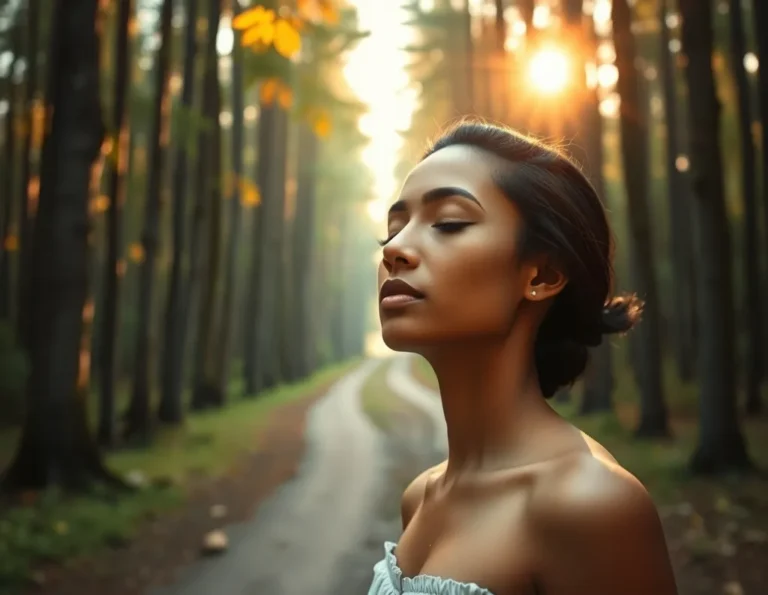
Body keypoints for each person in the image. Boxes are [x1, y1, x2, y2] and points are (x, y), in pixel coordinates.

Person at [367, 121, 678, 595]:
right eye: (393, 229)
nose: (395, 250)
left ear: (543, 274)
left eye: (448, 222)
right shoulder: (420, 497)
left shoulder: (591, 505)